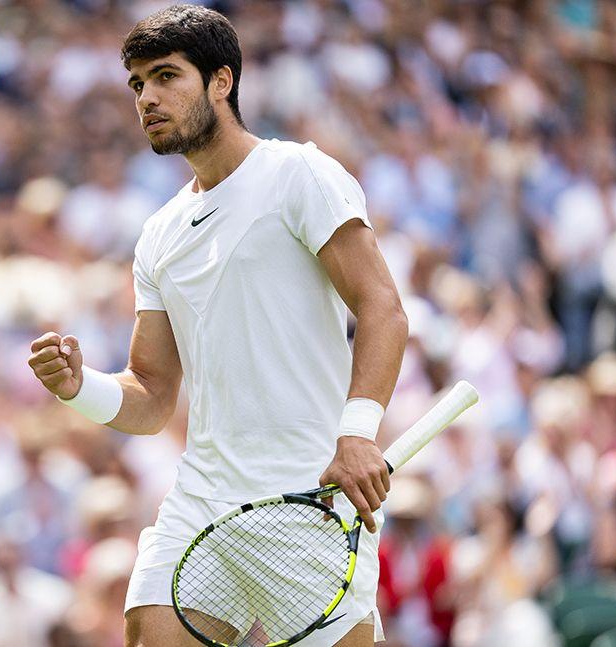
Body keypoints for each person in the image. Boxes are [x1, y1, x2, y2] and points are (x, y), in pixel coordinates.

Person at [26, 5, 408, 646]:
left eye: (166, 76)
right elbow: (151, 396)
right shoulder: (158, 237)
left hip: (309, 507)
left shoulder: (299, 174)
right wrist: (77, 386)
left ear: (222, 81)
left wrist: (359, 433)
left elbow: (383, 307)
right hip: (203, 503)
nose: (147, 97)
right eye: (138, 84)